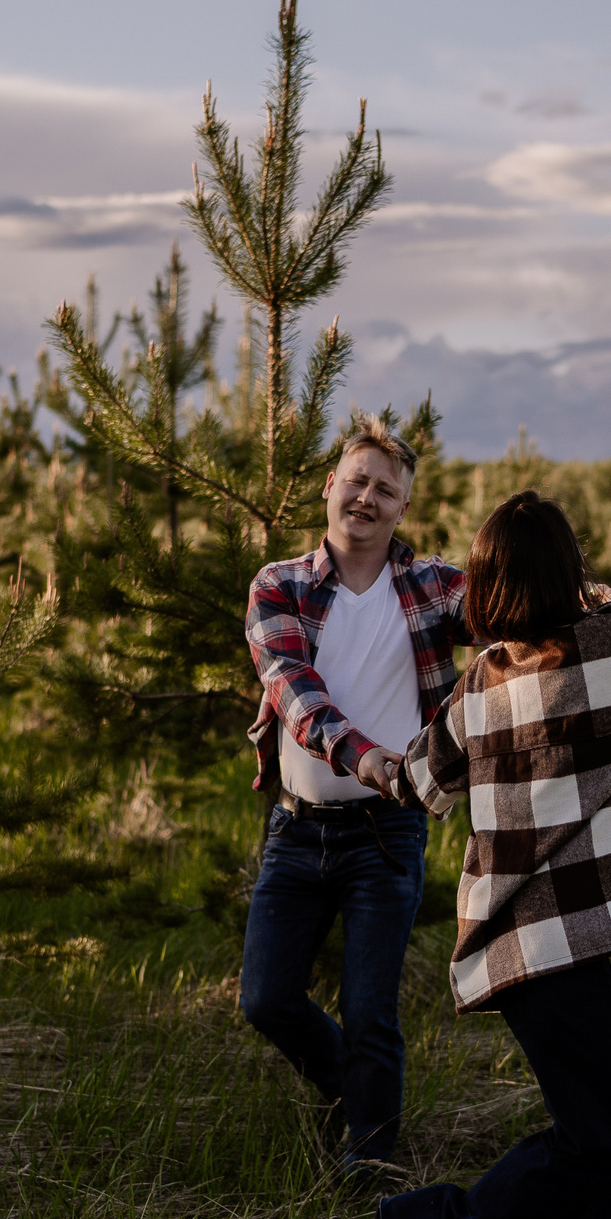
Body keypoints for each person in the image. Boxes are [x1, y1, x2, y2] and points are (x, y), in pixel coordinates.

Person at [374, 489, 611, 1219]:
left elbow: (422, 779)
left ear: (487, 586)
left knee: (598, 1132)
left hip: (513, 944)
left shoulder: (480, 683)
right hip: (562, 941)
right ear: (572, 573)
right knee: (606, 1137)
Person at [241, 420, 468, 1179]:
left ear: (403, 508)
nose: (367, 497)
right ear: (329, 487)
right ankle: (351, 1090)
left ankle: (372, 1165)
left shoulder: (434, 587)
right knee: (266, 999)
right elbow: (296, 696)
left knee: (374, 1011)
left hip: (387, 833)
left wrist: (604, 601)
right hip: (297, 830)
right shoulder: (281, 586)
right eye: (357, 481)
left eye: (385, 489)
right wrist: (365, 756)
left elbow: (521, 599)